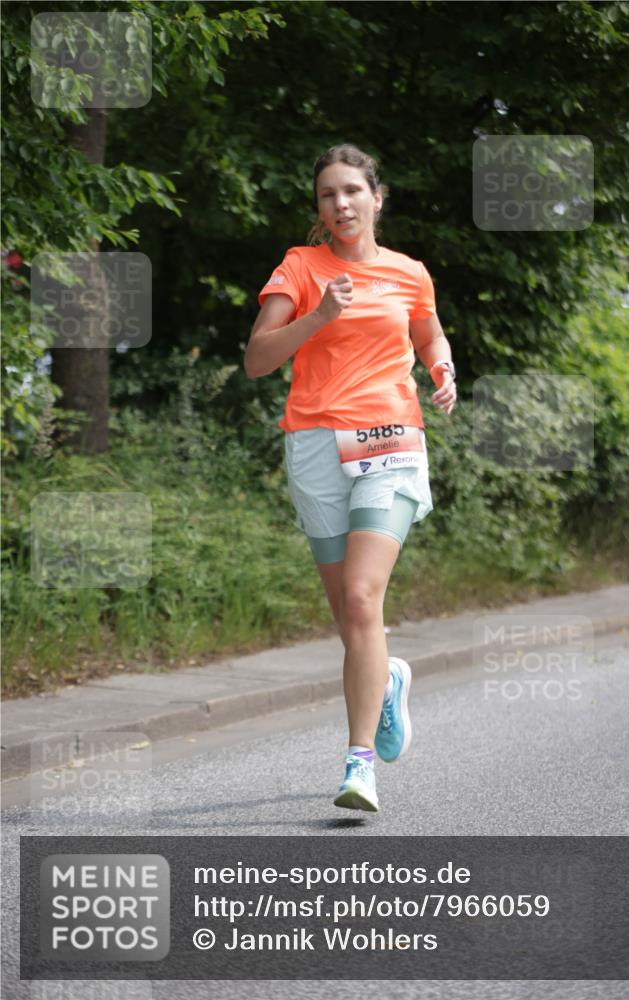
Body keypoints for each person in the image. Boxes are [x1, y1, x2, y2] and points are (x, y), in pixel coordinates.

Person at [244, 144, 456, 812]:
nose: (340, 203)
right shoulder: (300, 267)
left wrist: (442, 367)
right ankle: (385, 680)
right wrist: (318, 317)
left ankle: (358, 763)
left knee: (363, 600)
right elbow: (256, 360)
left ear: (376, 198)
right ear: (319, 207)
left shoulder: (408, 273)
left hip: (391, 438)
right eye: (327, 195)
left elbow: (428, 335)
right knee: (347, 614)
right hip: (314, 445)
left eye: (352, 191)